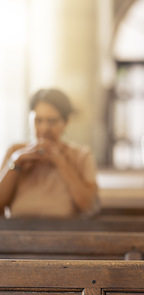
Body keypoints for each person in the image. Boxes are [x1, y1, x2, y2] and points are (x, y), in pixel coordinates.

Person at [0, 88, 98, 218]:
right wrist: (16, 162)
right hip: (17, 235)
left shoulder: (81, 155)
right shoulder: (16, 152)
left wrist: (60, 161)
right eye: (38, 120)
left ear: (66, 122)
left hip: (65, 236)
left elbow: (87, 206)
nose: (44, 128)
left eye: (52, 121)